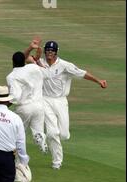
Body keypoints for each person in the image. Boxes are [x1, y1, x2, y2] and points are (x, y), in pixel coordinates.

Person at [27, 40, 108, 169]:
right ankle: (56, 163)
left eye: (52, 51)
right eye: (47, 50)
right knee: (52, 133)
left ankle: (54, 141)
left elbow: (82, 73)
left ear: (56, 52)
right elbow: (26, 59)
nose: (49, 53)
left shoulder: (65, 65)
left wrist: (98, 81)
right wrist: (31, 47)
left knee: (63, 134)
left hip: (61, 101)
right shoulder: (40, 62)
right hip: (45, 100)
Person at [6, 51, 48, 154]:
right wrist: (35, 61)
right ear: (24, 61)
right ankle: (41, 138)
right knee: (38, 131)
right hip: (39, 106)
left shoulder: (11, 76)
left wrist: (4, 104)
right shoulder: (33, 68)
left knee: (18, 135)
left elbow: (15, 96)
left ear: (13, 62)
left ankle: (18, 159)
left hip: (24, 108)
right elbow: (47, 73)